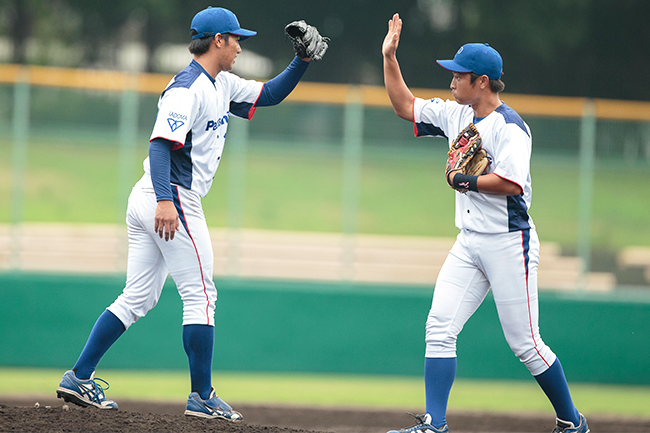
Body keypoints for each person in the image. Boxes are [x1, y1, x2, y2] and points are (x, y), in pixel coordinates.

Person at [56, 6, 326, 421]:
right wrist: (166, 200)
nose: (239, 46)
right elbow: (160, 144)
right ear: (217, 40)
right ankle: (201, 396)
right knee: (201, 294)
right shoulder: (187, 88)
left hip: (153, 194)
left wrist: (301, 61)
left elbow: (268, 95)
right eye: (236, 39)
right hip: (171, 195)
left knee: (138, 297)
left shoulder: (221, 83)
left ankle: (78, 377)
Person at [381, 13, 589, 433]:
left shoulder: (511, 128)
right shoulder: (456, 114)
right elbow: (405, 105)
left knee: (526, 345)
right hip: (469, 242)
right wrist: (389, 57)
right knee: (439, 326)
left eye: (458, 75)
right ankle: (434, 423)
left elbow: (511, 183)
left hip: (510, 243)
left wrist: (467, 179)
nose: (451, 81)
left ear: (481, 81)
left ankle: (572, 421)